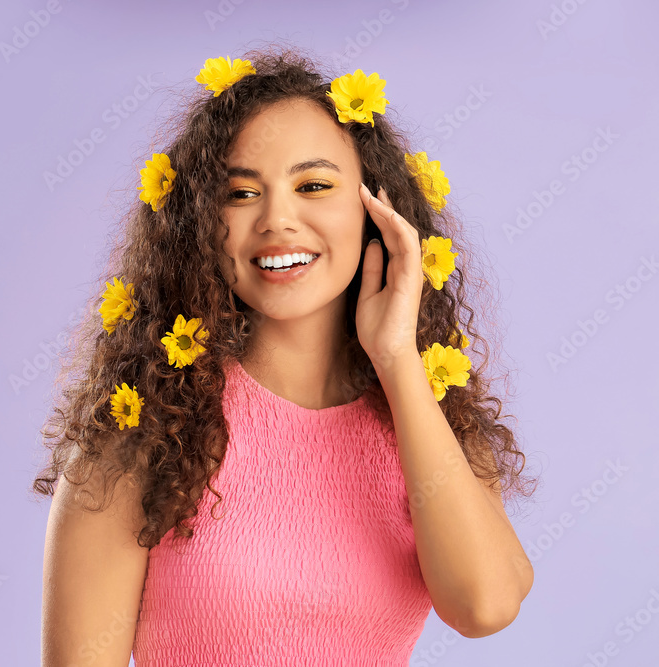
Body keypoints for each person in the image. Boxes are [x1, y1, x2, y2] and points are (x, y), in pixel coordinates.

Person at [33, 42, 539, 666]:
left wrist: (398, 358)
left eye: (314, 185)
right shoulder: (142, 436)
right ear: (200, 224)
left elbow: (485, 606)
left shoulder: (429, 422)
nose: (278, 219)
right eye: (241, 194)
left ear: (377, 209)